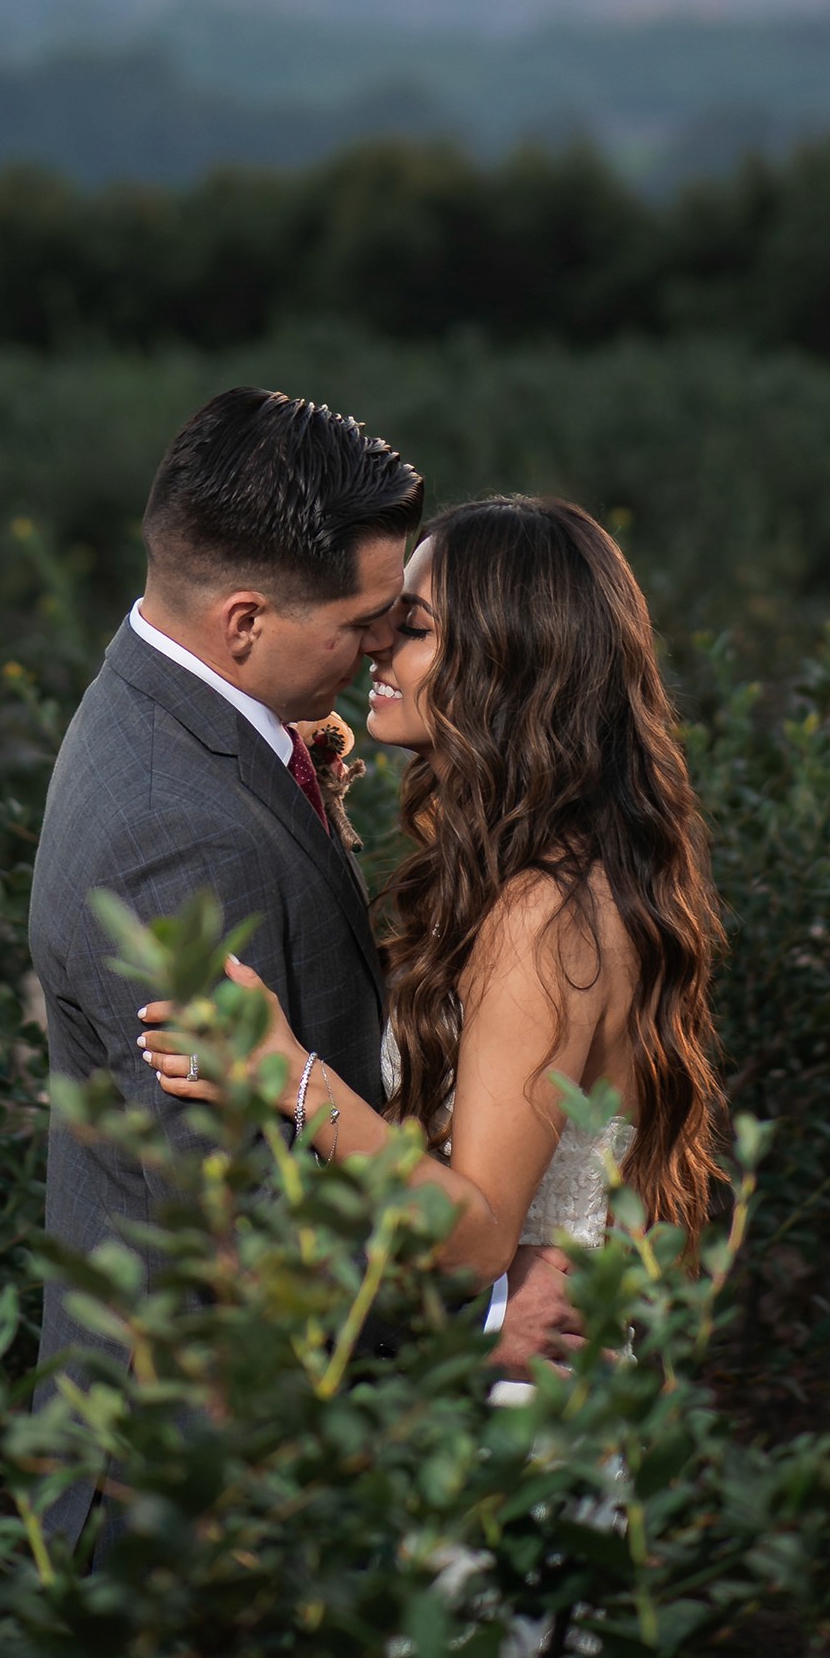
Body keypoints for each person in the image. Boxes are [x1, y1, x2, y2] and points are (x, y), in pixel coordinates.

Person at [28, 392, 585, 1551]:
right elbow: (225, 1230)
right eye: (365, 620)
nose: (383, 647)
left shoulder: (178, 720)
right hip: (203, 1490)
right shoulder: (175, 832)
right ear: (242, 620)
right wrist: (472, 1322)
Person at [141, 492, 725, 1322]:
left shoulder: (544, 914)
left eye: (411, 628)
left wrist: (288, 1076)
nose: (377, 643)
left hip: (524, 1408)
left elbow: (480, 1234)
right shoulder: (527, 867)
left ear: (506, 660)